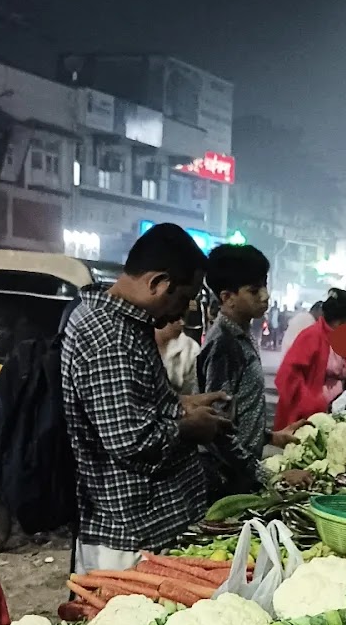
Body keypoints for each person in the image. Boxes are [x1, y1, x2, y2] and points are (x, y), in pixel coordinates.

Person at [61, 222, 233, 572]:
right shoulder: (109, 337)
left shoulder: (127, 325)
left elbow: (134, 408)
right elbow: (130, 439)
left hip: (146, 530)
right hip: (127, 539)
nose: (182, 313)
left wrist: (183, 405)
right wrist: (190, 428)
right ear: (158, 283)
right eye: (183, 298)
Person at [198, 243, 270, 461]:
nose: (265, 296)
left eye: (265, 285)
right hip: (227, 473)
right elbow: (217, 429)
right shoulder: (224, 344)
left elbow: (240, 413)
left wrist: (270, 437)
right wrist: (259, 473)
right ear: (227, 297)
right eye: (254, 291)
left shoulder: (242, 334)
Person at [274, 288, 346, 429]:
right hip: (308, 420)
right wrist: (314, 405)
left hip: (334, 416)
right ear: (345, 319)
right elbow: (287, 377)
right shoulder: (311, 336)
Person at [156, 316, 200, 396]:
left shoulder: (191, 348)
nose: (182, 323)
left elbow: (192, 392)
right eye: (175, 318)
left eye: (183, 317)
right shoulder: (139, 343)